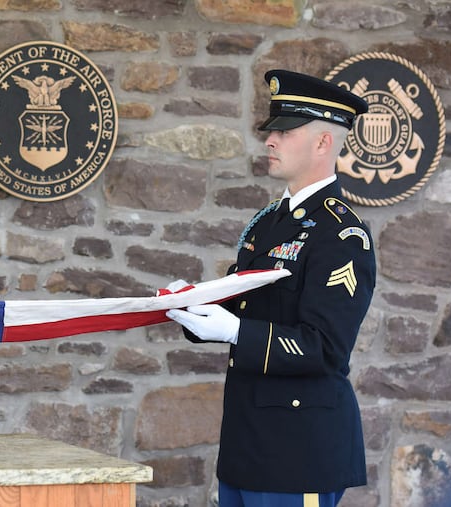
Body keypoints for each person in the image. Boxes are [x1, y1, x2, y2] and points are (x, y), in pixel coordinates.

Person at [166, 69, 376, 507]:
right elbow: (243, 304)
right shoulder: (267, 222)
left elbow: (325, 347)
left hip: (298, 451)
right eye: (272, 130)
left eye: (285, 130)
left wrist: (235, 332)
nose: (270, 140)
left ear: (323, 143)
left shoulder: (342, 235)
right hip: (248, 444)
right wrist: (193, 304)